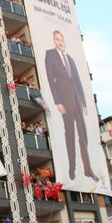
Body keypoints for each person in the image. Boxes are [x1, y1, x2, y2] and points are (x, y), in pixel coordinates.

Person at [43, 30, 97, 181]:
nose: (60, 42)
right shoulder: (51, 55)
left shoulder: (71, 59)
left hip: (77, 102)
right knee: (70, 135)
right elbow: (50, 79)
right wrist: (57, 101)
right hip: (65, 103)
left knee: (83, 135)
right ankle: (72, 168)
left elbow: (78, 81)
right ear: (54, 41)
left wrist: (84, 103)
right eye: (57, 39)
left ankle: (88, 169)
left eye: (62, 39)